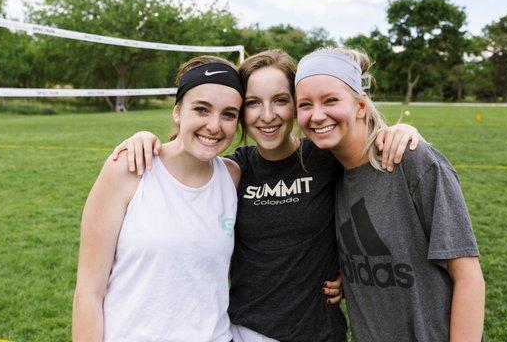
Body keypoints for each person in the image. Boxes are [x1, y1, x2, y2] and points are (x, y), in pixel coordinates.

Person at [112, 49, 422, 341]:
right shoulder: (234, 170)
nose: (268, 115)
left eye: (280, 100)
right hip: (245, 331)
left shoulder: (326, 159)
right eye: (253, 102)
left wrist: (403, 130)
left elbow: (364, 157)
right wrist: (146, 140)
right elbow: (184, 168)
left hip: (319, 333)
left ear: (296, 103)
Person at [294, 47, 486, 342]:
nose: (317, 115)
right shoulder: (327, 171)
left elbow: (468, 277)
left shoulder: (411, 160)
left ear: (360, 105)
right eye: (305, 105)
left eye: (331, 100)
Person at [72, 56, 245, 342]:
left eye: (228, 114)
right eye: (201, 109)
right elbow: (89, 292)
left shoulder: (232, 177)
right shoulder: (129, 168)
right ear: (178, 111)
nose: (214, 126)